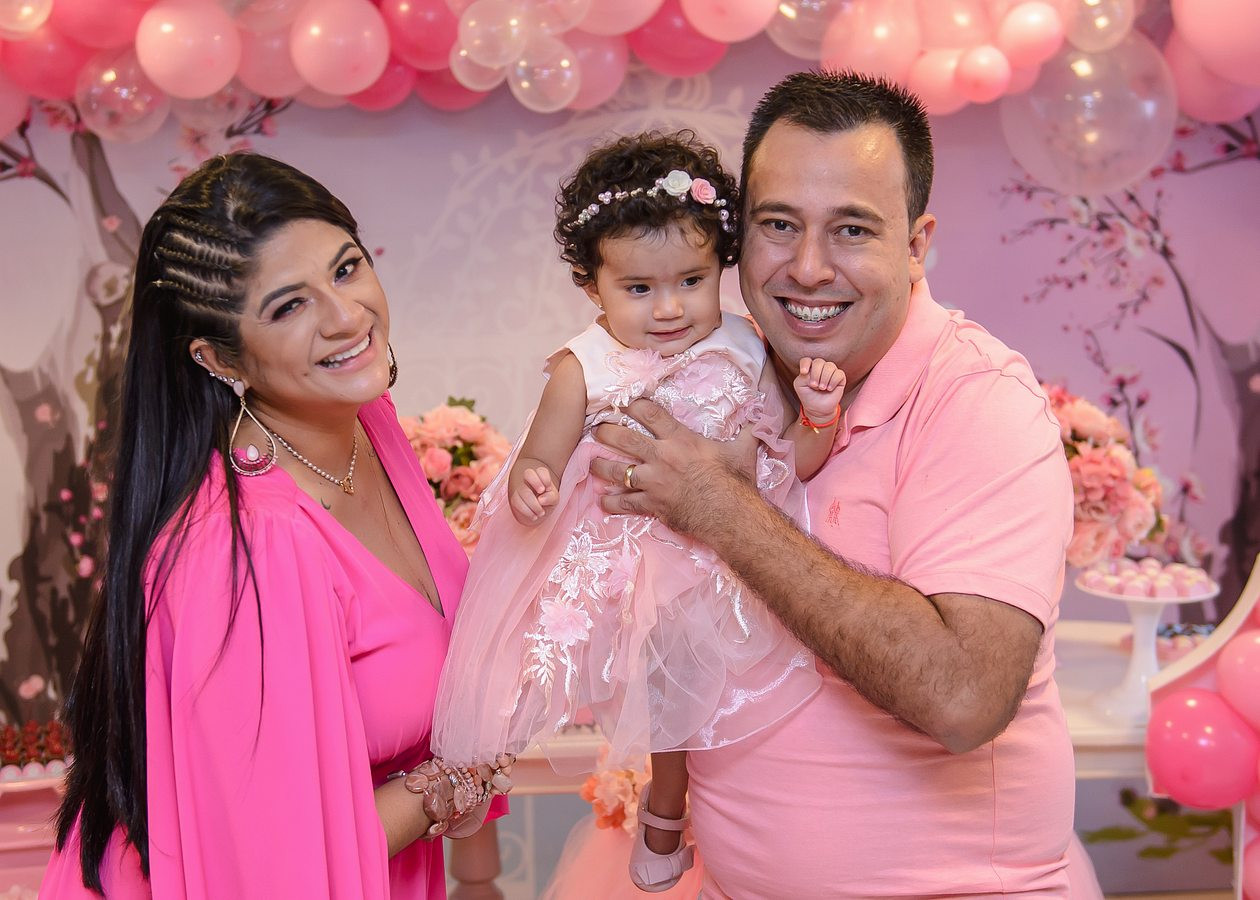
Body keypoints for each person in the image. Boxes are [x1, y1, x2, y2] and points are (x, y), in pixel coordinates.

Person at [591, 72, 1077, 897]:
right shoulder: (721, 373)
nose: (808, 268)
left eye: (851, 229)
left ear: (916, 245)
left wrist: (720, 508)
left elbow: (964, 694)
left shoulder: (977, 398)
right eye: (779, 225)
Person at [41, 152, 507, 899]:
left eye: (347, 269)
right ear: (218, 357)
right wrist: (448, 785)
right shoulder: (247, 547)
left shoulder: (367, 427)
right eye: (289, 307)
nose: (346, 316)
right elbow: (274, 869)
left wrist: (478, 874)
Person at [429, 131, 842, 892]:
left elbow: (793, 462)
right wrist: (532, 483)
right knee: (639, 681)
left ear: (722, 265)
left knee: (733, 693)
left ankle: (716, 816)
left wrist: (816, 414)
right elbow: (539, 457)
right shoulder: (584, 364)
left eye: (691, 280)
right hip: (622, 557)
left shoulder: (746, 346)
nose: (670, 308)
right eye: (639, 289)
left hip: (730, 553)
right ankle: (634, 807)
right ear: (593, 286)